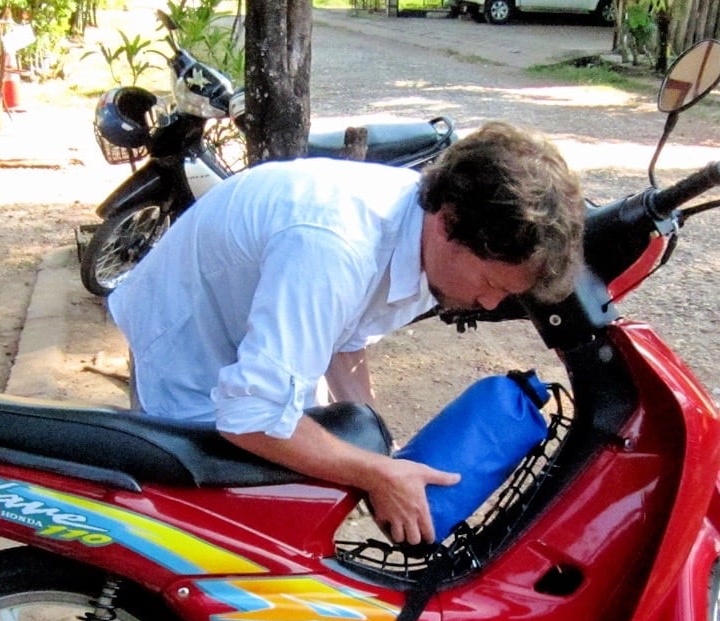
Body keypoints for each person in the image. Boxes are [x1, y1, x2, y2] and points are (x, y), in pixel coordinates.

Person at [106, 121, 583, 545]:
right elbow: (249, 415)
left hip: (252, 336)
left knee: (295, 498)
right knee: (211, 550)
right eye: (492, 284)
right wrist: (376, 473)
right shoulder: (337, 250)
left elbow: (345, 337)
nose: (490, 304)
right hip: (185, 343)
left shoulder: (431, 253)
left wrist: (379, 448)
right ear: (448, 224)